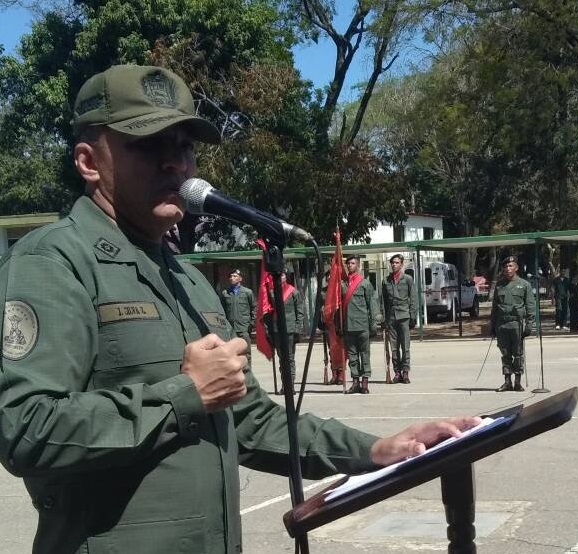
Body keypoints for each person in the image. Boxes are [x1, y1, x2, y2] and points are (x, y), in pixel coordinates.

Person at [0, 64, 480, 554]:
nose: (177, 164)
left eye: (184, 146)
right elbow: (25, 429)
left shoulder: (185, 277)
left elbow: (249, 419)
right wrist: (184, 394)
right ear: (88, 162)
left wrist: (374, 450)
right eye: (148, 146)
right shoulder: (53, 261)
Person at [490, 255, 535, 392]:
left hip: (517, 324)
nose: (508, 269)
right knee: (505, 354)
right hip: (502, 325)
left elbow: (530, 306)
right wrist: (492, 325)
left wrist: (529, 324)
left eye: (511, 266)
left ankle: (517, 382)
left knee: (518, 353)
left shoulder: (524, 285)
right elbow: (494, 307)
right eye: (505, 266)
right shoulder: (499, 285)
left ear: (516, 268)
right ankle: (507, 381)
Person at [342, 255, 380, 394]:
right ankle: (355, 382)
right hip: (349, 326)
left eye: (352, 263)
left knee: (364, 355)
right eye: (348, 264)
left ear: (357, 265)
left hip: (362, 325)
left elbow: (372, 305)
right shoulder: (343, 285)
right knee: (352, 356)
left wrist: (374, 325)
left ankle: (365, 383)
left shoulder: (364, 283)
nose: (350, 266)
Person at [380, 254, 418, 384]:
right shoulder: (386, 280)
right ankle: (397, 372)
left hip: (404, 316)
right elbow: (383, 302)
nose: (394, 265)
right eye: (392, 263)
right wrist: (383, 319)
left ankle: (405, 372)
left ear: (401, 264)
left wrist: (413, 316)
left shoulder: (407, 279)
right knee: (394, 347)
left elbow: (413, 298)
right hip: (391, 317)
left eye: (396, 263)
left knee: (405, 347)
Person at [265, 272, 305, 394]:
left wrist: (298, 329)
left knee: (289, 358)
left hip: (289, 329)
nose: (280, 278)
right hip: (277, 329)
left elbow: (300, 312)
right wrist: (268, 329)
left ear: (286, 277)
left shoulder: (293, 292)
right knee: (282, 358)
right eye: (278, 276)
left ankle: (290, 385)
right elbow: (268, 312)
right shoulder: (272, 293)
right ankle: (284, 384)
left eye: (282, 275)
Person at [220, 268, 256, 364]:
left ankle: (247, 376)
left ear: (240, 279)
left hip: (244, 329)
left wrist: (251, 324)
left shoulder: (248, 292)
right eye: (231, 276)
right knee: (232, 354)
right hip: (231, 330)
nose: (232, 278)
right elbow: (222, 311)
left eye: (235, 276)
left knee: (246, 354)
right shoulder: (225, 293)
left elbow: (254, 309)